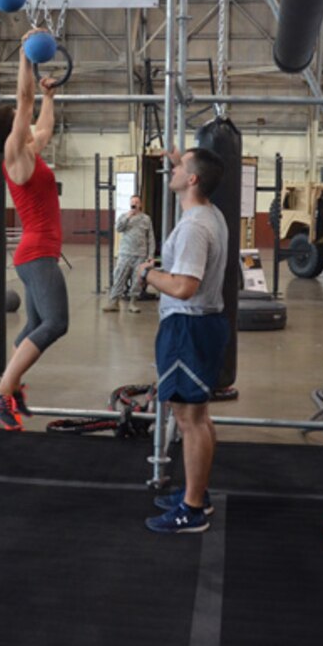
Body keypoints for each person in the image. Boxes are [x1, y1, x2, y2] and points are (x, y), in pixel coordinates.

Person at [0, 30, 64, 430]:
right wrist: (27, 57)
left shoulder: (27, 153)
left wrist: (48, 96)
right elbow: (22, 103)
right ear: (12, 130)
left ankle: (14, 385)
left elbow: (44, 127)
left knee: (30, 327)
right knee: (56, 324)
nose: (30, 127)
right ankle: (2, 392)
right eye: (21, 120)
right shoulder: (13, 158)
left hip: (36, 252)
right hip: (37, 252)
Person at [136, 147, 229, 534]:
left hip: (186, 326)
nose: (170, 170)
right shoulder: (210, 213)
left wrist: (147, 274)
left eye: (177, 167)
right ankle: (197, 494)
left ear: (192, 179)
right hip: (201, 325)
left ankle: (191, 509)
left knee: (189, 420)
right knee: (198, 417)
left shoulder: (194, 227)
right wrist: (182, 154)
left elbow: (184, 286)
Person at [103, 194, 155, 314]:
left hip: (140, 254)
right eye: (132, 202)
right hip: (125, 253)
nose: (134, 204)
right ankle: (114, 302)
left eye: (137, 202)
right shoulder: (124, 217)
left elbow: (150, 238)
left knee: (137, 280)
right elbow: (118, 228)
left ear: (140, 204)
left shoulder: (146, 219)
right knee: (119, 276)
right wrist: (128, 217)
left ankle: (133, 302)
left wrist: (150, 256)